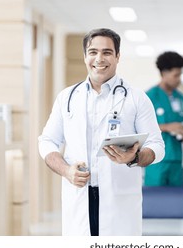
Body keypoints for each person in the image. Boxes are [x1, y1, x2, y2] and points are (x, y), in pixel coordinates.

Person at [38, 28, 165, 236]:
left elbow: (157, 146)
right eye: (93, 52)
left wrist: (134, 157)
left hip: (119, 200)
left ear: (117, 56)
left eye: (107, 52)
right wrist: (66, 170)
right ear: (85, 56)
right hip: (78, 197)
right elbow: (47, 141)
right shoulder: (67, 98)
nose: (99, 58)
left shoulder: (136, 98)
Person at [144, 51, 183, 186]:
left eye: (180, 75)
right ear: (164, 73)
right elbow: (139, 127)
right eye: (176, 75)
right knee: (154, 199)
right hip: (155, 159)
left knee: (177, 201)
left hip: (176, 158)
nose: (179, 79)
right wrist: (166, 127)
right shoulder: (149, 97)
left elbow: (182, 124)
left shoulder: (181, 98)